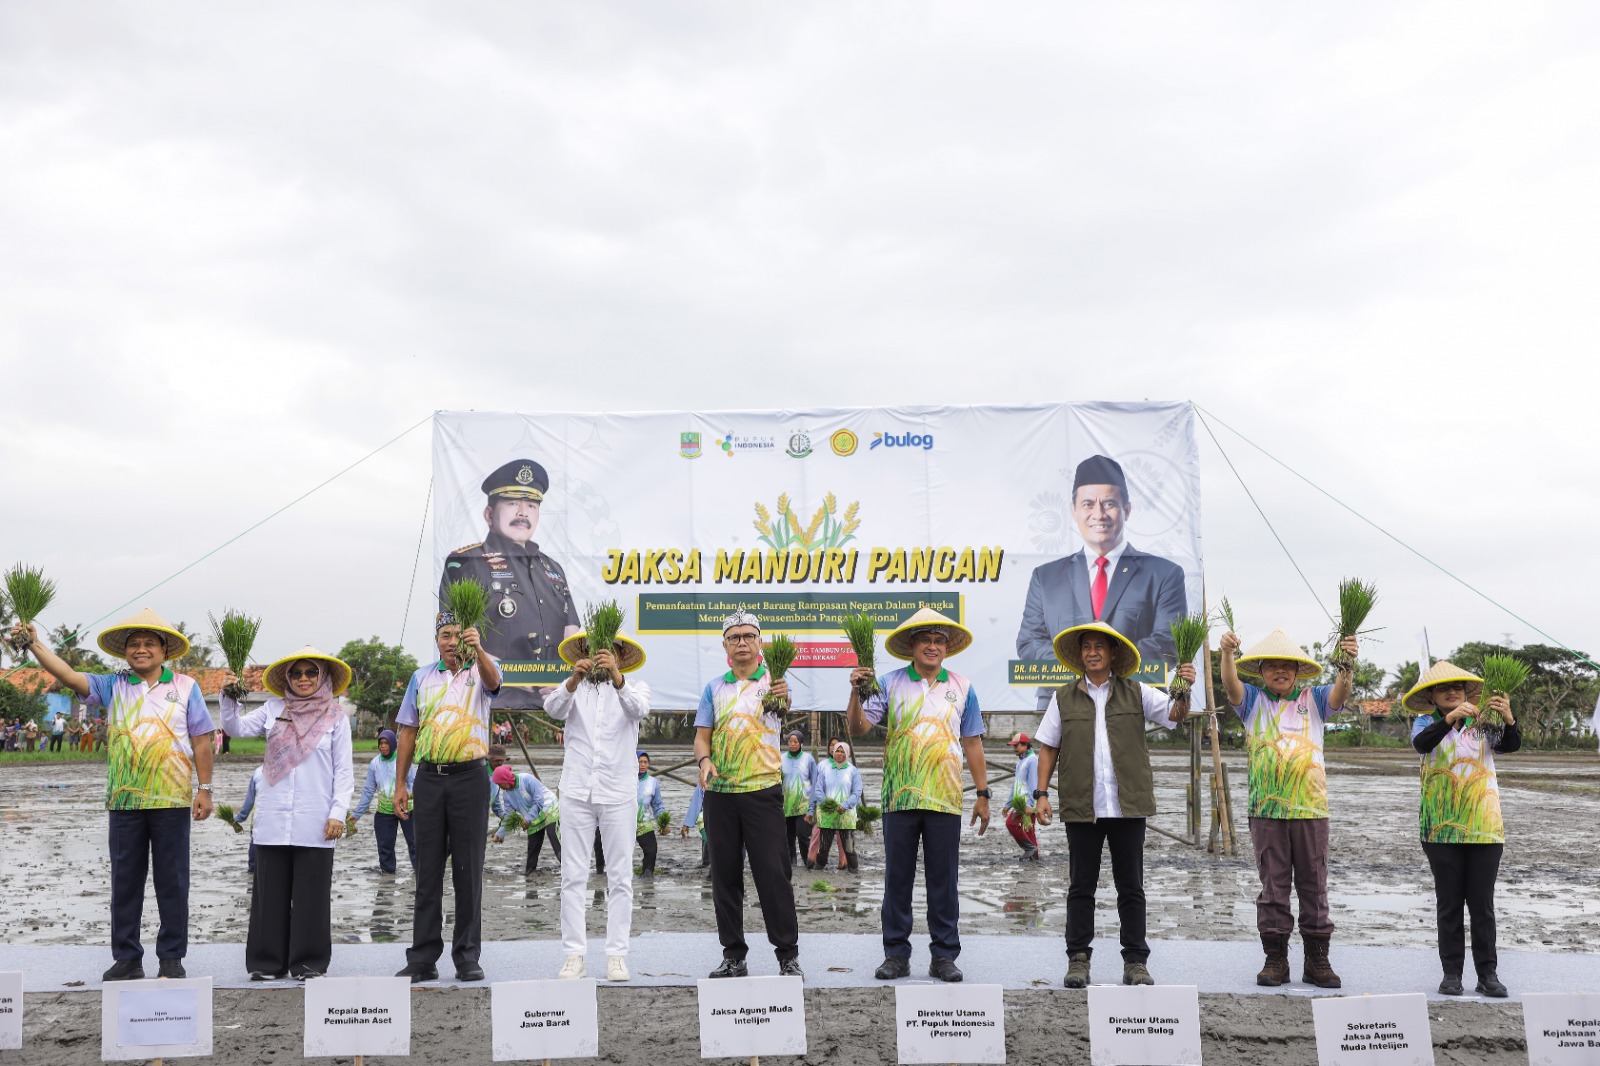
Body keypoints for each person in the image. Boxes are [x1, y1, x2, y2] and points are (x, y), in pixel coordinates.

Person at [9, 609, 215, 981]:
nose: (141, 649)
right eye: (134, 644)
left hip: (171, 799)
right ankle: (127, 958)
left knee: (173, 881)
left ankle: (171, 958)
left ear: (164, 650)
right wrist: (34, 643)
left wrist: (205, 789)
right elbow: (67, 674)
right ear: (125, 651)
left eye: (149, 643)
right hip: (124, 801)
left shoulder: (186, 686)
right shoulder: (112, 685)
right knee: (125, 883)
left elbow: (202, 741)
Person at [1034, 622, 1193, 988]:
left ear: (1113, 653)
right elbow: (1048, 748)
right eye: (1086, 646)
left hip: (1127, 807)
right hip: (1082, 806)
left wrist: (1184, 687)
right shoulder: (1063, 697)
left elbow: (1175, 714)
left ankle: (1136, 961)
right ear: (1080, 655)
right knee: (1081, 887)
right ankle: (1078, 960)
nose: (1092, 652)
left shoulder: (1137, 692)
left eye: (1099, 646)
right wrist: (1041, 794)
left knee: (1131, 887)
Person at [847, 607, 989, 983]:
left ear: (947, 647)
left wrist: (983, 793)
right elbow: (858, 728)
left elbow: (972, 742)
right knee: (897, 879)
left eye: (938, 640)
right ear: (911, 646)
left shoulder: (962, 686)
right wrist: (855, 691)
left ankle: (944, 956)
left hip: (945, 798)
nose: (932, 646)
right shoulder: (889, 683)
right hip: (899, 798)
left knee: (944, 882)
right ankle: (896, 954)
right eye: (925, 639)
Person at [1220, 627, 1357, 989]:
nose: (1279, 671)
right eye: (1271, 666)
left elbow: (1342, 692)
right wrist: (1227, 654)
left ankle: (1317, 961)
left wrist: (1347, 661)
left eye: (1287, 666)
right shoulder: (1252, 700)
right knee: (1273, 886)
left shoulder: (1316, 698)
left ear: (1298, 671)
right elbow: (1231, 686)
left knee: (1314, 885)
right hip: (1266, 810)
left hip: (1311, 809)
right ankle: (1275, 960)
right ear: (1261, 670)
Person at [220, 647, 354, 980]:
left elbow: (344, 771)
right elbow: (235, 728)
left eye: (311, 672)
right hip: (274, 815)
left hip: (316, 817)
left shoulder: (336, 717)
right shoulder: (273, 708)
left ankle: (309, 963)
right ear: (287, 679)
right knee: (270, 893)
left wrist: (338, 813)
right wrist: (229, 695)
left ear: (323, 676)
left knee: (312, 895)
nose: (303, 678)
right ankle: (267, 963)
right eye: (296, 673)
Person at [1015, 454, 1189, 709]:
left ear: (1127, 509)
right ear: (1073, 510)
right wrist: (1080, 667)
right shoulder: (1046, 577)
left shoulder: (1163, 574)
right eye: (1088, 504)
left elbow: (1168, 642)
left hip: (1135, 703)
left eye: (1109, 503)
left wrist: (1107, 669)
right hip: (1060, 704)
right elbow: (1029, 643)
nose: (1098, 514)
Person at [391, 611, 503, 983]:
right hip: (429, 779)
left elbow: (495, 683)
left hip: (470, 778)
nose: (452, 642)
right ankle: (423, 958)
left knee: (468, 871)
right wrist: (401, 784)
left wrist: (479, 649)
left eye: (458, 634)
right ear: (437, 640)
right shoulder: (421, 677)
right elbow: (408, 731)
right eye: (445, 635)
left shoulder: (481, 670)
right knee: (427, 871)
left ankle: (467, 956)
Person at [696, 609, 803, 979]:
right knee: (725, 876)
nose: (741, 642)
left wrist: (784, 696)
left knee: (774, 875)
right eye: (734, 637)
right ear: (725, 645)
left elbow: (783, 710)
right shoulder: (714, 688)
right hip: (720, 794)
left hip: (763, 790)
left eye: (748, 636)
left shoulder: (774, 684)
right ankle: (734, 956)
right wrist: (704, 761)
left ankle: (788, 956)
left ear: (760, 642)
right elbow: (702, 737)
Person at [1404, 662, 1521, 998]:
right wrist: (1450, 719)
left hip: (1484, 827)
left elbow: (1510, 745)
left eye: (1457, 687)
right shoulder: (1425, 723)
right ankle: (1451, 974)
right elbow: (1422, 744)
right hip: (1439, 829)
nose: (1451, 692)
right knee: (1449, 903)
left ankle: (1488, 974)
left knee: (1482, 904)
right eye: (1443, 688)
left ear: (1468, 692)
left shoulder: (1484, 722)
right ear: (1431, 696)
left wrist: (1508, 719)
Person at [542, 621, 650, 981]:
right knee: (573, 875)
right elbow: (552, 708)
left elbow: (639, 710)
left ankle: (617, 955)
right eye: (592, 649)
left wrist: (617, 678)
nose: (599, 655)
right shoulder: (573, 689)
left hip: (618, 792)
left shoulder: (634, 687)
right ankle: (574, 955)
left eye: (607, 650)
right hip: (577, 790)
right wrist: (573, 679)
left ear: (620, 655)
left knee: (620, 876)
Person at [440, 458, 581, 711]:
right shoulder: (467, 562)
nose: (523, 513)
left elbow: (572, 633)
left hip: (553, 700)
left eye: (531, 505)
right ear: (489, 514)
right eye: (512, 503)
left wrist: (564, 681)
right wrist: (523, 679)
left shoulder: (552, 568)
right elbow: (456, 637)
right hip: (490, 698)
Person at [349, 730, 417, 875]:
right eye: (381, 743)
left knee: (415, 843)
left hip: (406, 809)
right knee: (385, 846)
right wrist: (356, 815)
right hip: (384, 811)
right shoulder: (375, 764)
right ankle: (387, 875)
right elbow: (368, 791)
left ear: (393, 744)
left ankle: (420, 873)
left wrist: (409, 796)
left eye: (386, 743)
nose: (383, 746)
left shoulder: (403, 760)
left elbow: (414, 782)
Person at [490, 755, 563, 875]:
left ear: (506, 779)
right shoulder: (507, 794)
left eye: (500, 783)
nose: (500, 787)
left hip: (549, 809)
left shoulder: (527, 780)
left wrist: (527, 819)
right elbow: (508, 816)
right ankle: (530, 873)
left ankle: (567, 866)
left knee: (552, 834)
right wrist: (500, 834)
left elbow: (539, 801)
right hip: (533, 818)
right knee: (533, 846)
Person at [808, 740, 862, 874]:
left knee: (848, 848)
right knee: (823, 847)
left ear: (847, 753)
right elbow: (818, 789)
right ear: (833, 753)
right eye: (837, 751)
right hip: (827, 814)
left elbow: (856, 792)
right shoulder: (825, 769)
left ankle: (853, 871)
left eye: (842, 751)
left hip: (846, 816)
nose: (839, 754)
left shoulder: (852, 771)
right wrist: (826, 803)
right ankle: (818, 869)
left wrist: (844, 805)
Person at [781, 730, 818, 869]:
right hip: (786, 806)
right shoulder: (782, 759)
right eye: (790, 741)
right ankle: (791, 863)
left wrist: (812, 808)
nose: (792, 744)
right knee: (787, 838)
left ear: (801, 743)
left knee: (803, 835)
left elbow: (815, 783)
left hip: (804, 805)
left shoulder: (808, 759)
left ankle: (808, 862)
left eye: (795, 741)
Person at [1004, 732, 1041, 860]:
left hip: (1027, 803)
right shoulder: (1021, 762)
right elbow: (1015, 785)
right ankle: (1034, 857)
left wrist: (1030, 804)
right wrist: (1007, 805)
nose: (1014, 748)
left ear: (1025, 745)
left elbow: (1033, 784)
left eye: (1017, 746)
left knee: (1011, 823)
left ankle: (1029, 849)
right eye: (1013, 746)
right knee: (1029, 830)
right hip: (1020, 802)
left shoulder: (1032, 760)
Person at [633, 751, 666, 876]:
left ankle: (647, 876)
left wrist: (663, 823)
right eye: (639, 762)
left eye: (645, 762)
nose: (642, 765)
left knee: (651, 850)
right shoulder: (625, 780)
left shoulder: (653, 782)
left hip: (644, 823)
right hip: (625, 823)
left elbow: (657, 805)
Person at [235, 765, 264, 875]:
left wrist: (239, 818)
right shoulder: (291, 772)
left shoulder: (258, 772)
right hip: (280, 824)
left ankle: (253, 870)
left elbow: (249, 801)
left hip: (259, 820)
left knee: (255, 843)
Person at [682, 785, 709, 867]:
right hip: (704, 817)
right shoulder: (702, 785)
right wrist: (687, 824)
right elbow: (695, 804)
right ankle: (706, 862)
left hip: (722, 818)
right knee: (707, 839)